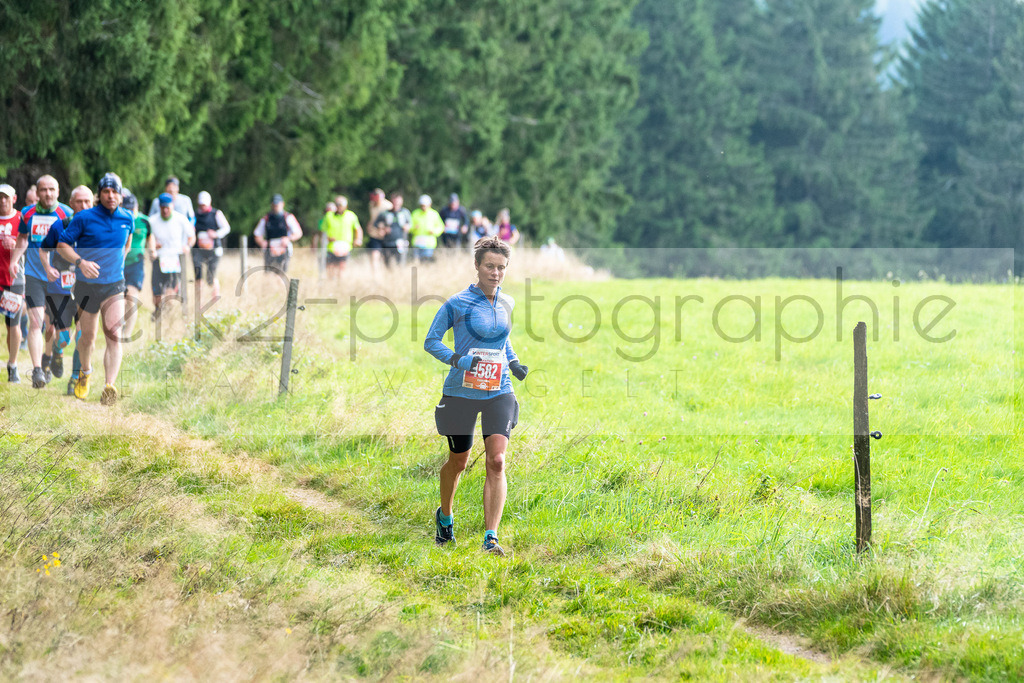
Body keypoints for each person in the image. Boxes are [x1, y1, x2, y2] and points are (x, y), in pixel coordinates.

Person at [424, 237, 529, 556]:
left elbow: (503, 341)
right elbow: (431, 341)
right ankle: (445, 517)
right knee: (459, 461)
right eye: (489, 266)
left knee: (497, 460)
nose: (495, 273)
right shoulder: (456, 303)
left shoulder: (507, 302)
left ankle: (491, 537)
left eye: (501, 268)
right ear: (477, 266)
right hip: (462, 391)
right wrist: (460, 360)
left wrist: (513, 362)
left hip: (499, 388)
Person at [57, 172, 134, 405]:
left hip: (114, 285)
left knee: (114, 333)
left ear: (120, 195)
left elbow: (127, 245)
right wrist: (81, 262)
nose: (111, 196)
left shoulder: (128, 218)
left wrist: (116, 263)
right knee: (87, 338)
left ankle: (109, 386)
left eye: (115, 192)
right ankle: (86, 372)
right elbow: (62, 245)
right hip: (86, 286)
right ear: (99, 195)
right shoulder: (84, 218)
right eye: (106, 192)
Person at [14, 175, 72, 388]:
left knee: (55, 328)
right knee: (36, 322)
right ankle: (37, 370)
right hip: (34, 275)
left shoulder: (67, 213)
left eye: (52, 189)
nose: (48, 193)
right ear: (37, 193)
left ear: (58, 192)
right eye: (44, 190)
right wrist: (14, 260)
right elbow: (22, 238)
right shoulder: (27, 213)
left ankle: (54, 352)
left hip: (59, 278)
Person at [63, 186, 95, 395]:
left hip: (85, 287)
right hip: (61, 287)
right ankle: (55, 355)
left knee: (82, 333)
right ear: (71, 203)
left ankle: (76, 376)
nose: (83, 206)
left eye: (88, 202)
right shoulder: (63, 225)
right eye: (79, 202)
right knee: (61, 337)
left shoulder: (97, 226)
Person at [150, 193, 195, 315]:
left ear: (172, 206)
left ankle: (168, 315)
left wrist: (187, 246)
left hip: (175, 260)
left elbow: (192, 236)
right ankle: (159, 311)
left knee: (171, 294)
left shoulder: (181, 219)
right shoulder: (152, 221)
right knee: (157, 295)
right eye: (162, 207)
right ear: (159, 207)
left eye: (167, 207)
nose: (165, 210)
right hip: (158, 259)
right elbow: (147, 239)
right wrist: (153, 244)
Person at [120, 189, 153, 341]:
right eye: (126, 209)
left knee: (131, 297)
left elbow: (150, 238)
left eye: (131, 209)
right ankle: (119, 326)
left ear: (136, 208)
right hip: (119, 263)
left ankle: (127, 334)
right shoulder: (118, 220)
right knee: (120, 298)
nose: (129, 212)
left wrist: (152, 251)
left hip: (136, 262)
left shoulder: (145, 221)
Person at [0, 184, 24, 383]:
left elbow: (31, 245)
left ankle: (13, 365)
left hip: (13, 280)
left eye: (6, 197)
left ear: (14, 199)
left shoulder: (21, 219)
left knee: (12, 325)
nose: (2, 201)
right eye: (0, 197)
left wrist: (15, 245)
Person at [192, 191, 230, 301]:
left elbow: (226, 228)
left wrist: (216, 234)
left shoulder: (216, 214)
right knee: (198, 274)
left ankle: (215, 297)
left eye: (204, 204)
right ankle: (200, 300)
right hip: (198, 249)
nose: (202, 207)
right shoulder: (194, 215)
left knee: (211, 275)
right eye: (201, 204)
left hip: (214, 249)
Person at [253, 194, 302, 272]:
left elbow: (298, 233)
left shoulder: (288, 217)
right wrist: (262, 243)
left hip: (284, 251)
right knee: (269, 276)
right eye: (274, 204)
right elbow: (257, 235)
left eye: (277, 204)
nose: (275, 206)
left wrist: (288, 239)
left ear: (282, 204)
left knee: (283, 275)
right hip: (269, 251)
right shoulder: (266, 219)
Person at [318, 195, 362, 276]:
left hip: (345, 247)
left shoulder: (351, 215)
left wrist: (358, 239)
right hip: (331, 247)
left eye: (341, 205)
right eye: (337, 204)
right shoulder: (329, 216)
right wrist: (327, 238)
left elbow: (358, 229)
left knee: (342, 270)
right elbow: (322, 231)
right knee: (330, 270)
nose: (339, 206)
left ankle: (340, 286)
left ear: (346, 205)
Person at [371, 192, 411, 268]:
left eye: (398, 202)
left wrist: (407, 227)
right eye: (395, 202)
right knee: (387, 265)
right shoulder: (385, 213)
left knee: (401, 264)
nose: (396, 204)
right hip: (387, 243)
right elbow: (376, 224)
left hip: (401, 243)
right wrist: (382, 228)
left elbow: (410, 225)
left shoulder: (405, 213)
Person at [409, 195, 445, 262]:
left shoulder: (434, 214)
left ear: (429, 205)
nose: (423, 207)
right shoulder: (415, 213)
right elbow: (409, 227)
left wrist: (434, 231)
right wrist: (414, 228)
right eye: (422, 205)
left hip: (429, 244)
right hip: (417, 243)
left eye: (425, 205)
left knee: (426, 262)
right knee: (416, 263)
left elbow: (441, 227)